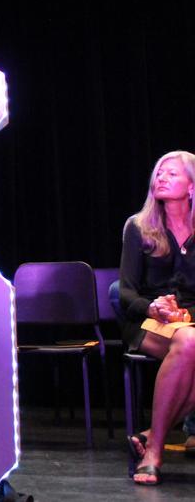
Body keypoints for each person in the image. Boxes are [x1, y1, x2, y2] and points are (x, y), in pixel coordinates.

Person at [118, 150, 195, 486]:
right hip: (146, 320)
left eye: (172, 173)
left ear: (191, 186)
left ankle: (151, 437)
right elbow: (125, 291)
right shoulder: (139, 227)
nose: (161, 177)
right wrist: (152, 308)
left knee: (190, 339)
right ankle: (154, 452)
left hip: (188, 322)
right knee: (190, 341)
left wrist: (185, 313)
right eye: (159, 173)